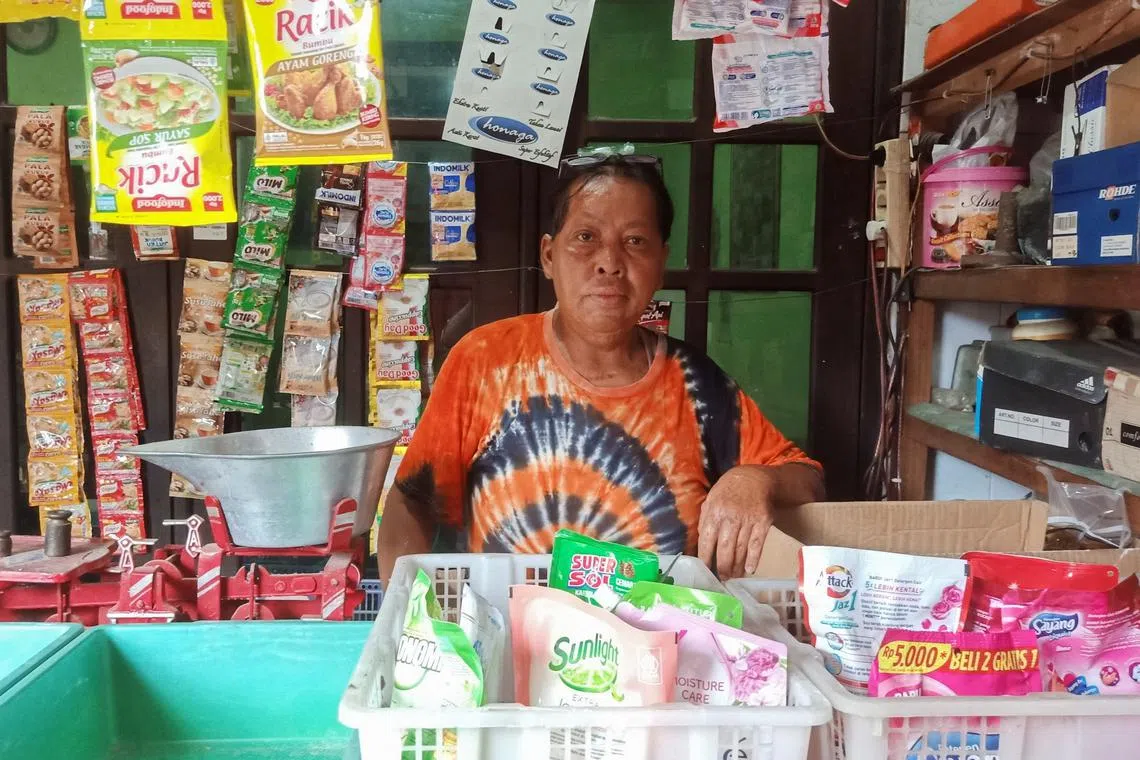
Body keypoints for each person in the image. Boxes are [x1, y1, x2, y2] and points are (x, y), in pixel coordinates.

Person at [377, 152, 824, 581]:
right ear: (549, 256)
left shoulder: (695, 385)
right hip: (509, 646)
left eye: (635, 241)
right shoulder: (486, 360)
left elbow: (807, 481)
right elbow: (412, 501)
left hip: (655, 648)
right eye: (586, 237)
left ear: (661, 263)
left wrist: (754, 478)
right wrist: (411, 618)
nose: (610, 262)